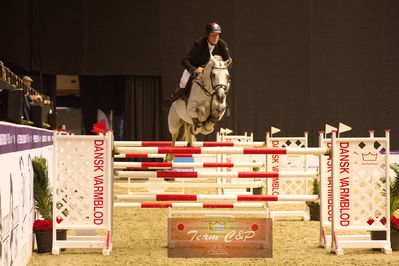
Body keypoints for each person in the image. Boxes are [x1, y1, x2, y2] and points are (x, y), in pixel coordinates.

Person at [165, 22, 232, 106]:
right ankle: (172, 99)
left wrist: (222, 71)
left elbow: (229, 62)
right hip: (196, 67)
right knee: (183, 82)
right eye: (213, 35)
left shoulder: (222, 45)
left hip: (213, 71)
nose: (215, 38)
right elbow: (185, 60)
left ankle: (224, 103)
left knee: (225, 83)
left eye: (217, 35)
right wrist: (194, 70)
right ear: (207, 35)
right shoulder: (199, 44)